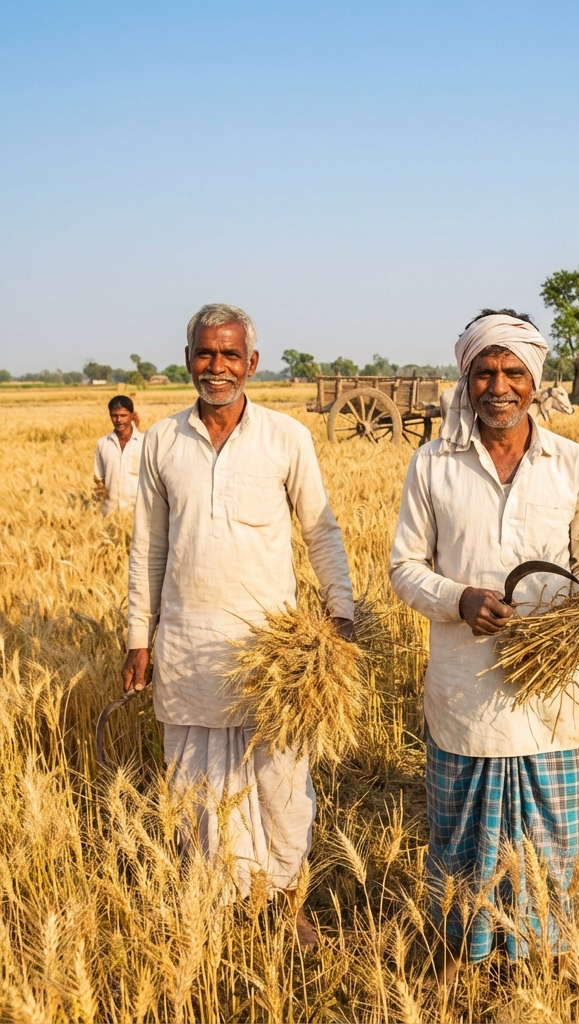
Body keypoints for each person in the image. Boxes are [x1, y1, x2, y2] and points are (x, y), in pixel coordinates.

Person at [389, 309, 579, 982]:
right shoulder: (432, 465)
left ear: (535, 380)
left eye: (513, 371)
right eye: (484, 371)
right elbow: (404, 568)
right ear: (465, 379)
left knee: (556, 840)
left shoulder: (573, 464)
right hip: (469, 690)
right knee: (465, 841)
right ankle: (466, 953)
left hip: (554, 693)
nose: (498, 385)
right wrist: (458, 600)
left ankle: (545, 962)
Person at [123, 303, 353, 948]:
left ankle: (287, 903)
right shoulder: (163, 442)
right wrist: (139, 637)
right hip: (189, 644)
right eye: (205, 353)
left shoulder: (286, 438)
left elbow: (321, 530)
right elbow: (148, 548)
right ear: (188, 359)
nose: (216, 367)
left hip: (273, 650)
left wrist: (341, 614)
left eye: (229, 355)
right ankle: (225, 912)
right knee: (198, 788)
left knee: (281, 783)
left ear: (251, 363)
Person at [93, 395, 144, 516]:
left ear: (132, 415)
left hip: (136, 513)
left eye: (123, 415)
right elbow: (99, 478)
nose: (119, 420)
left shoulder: (145, 442)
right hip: (109, 513)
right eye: (114, 416)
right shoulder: (102, 443)